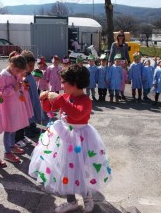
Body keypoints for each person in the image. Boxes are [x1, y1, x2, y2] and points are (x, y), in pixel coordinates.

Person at [29, 64, 112, 213]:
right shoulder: (66, 96)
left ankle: (87, 197)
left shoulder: (85, 100)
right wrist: (45, 100)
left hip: (81, 138)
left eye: (63, 82)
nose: (61, 85)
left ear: (74, 84)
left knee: (81, 169)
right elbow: (50, 109)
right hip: (63, 138)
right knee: (65, 170)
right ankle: (71, 201)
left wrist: (59, 99)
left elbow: (77, 114)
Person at [0, 52, 28, 163]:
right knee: (8, 129)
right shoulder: (3, 75)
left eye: (20, 71)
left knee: (14, 127)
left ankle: (12, 146)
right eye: (18, 71)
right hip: (7, 106)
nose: (19, 73)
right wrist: (13, 88)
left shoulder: (15, 73)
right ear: (12, 65)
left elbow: (17, 83)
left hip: (15, 104)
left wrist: (20, 84)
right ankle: (7, 152)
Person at [21, 50, 45, 140]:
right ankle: (27, 130)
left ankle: (33, 126)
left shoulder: (30, 75)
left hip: (33, 98)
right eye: (30, 65)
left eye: (33, 65)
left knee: (33, 112)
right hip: (28, 100)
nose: (32, 67)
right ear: (24, 65)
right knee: (28, 114)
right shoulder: (24, 77)